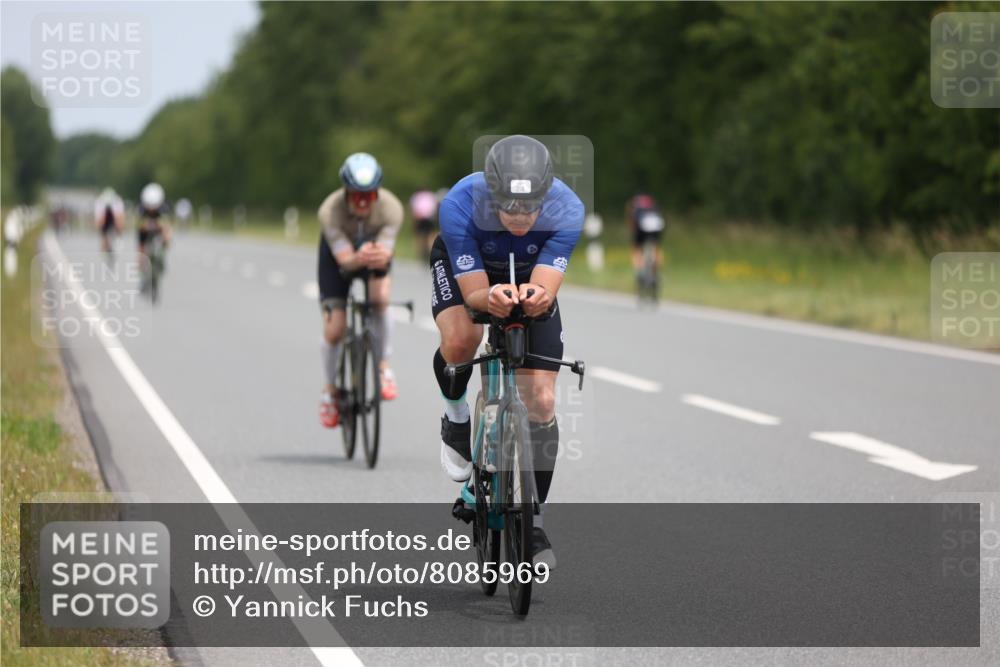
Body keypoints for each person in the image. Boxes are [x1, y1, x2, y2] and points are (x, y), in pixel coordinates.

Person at [430, 135, 583, 568]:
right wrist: (488, 297)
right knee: (461, 340)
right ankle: (456, 419)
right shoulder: (460, 202)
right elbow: (476, 294)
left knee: (543, 399)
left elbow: (545, 288)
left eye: (531, 206)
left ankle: (532, 522)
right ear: (492, 194)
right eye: (509, 207)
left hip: (526, 271)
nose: (520, 216)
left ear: (547, 194)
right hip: (472, 269)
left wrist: (535, 297)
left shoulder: (568, 208)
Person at [317, 153, 404, 429]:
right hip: (338, 258)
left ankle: (383, 366)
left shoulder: (391, 208)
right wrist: (358, 257)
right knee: (335, 329)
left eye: (369, 194)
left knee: (380, 299)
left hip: (374, 254)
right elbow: (345, 261)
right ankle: (330, 391)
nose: (364, 200)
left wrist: (378, 256)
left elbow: (385, 253)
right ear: (346, 192)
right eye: (357, 195)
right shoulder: (329, 211)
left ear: (377, 191)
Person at [625, 193, 665, 275]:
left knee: (636, 248)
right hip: (657, 227)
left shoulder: (635, 207)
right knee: (656, 246)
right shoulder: (654, 206)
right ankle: (657, 268)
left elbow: (632, 222)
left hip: (641, 228)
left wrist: (632, 230)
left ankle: (640, 269)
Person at [137, 183, 171, 257]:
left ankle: (163, 248)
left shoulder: (163, 207)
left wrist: (161, 227)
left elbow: (166, 222)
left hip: (158, 226)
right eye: (149, 207)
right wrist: (144, 226)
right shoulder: (142, 208)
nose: (152, 209)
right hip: (146, 228)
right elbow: (139, 223)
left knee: (166, 231)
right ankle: (141, 259)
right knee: (141, 236)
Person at [409, 189, 439, 264]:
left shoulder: (416, 196)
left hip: (420, 218)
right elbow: (435, 207)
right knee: (430, 235)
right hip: (429, 218)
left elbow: (414, 209)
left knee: (420, 236)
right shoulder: (431, 195)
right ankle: (430, 251)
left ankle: (421, 253)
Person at [94, 188, 124, 252]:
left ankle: (116, 238)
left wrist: (119, 230)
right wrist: (102, 231)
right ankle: (105, 244)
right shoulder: (99, 202)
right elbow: (98, 220)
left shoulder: (117, 201)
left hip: (114, 216)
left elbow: (119, 217)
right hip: (104, 216)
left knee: (118, 225)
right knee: (103, 230)